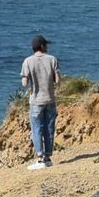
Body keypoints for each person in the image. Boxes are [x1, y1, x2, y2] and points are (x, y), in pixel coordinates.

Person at [19, 34, 61, 170]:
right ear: (42, 46)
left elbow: (24, 83)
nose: (47, 46)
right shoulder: (52, 59)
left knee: (37, 129)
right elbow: (58, 80)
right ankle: (48, 157)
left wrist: (29, 79)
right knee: (49, 129)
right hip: (50, 99)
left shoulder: (27, 61)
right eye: (46, 45)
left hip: (36, 101)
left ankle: (39, 158)